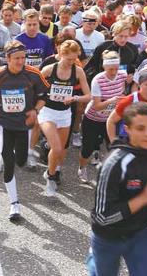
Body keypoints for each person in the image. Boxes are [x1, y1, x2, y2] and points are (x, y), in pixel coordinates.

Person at [87, 102, 147, 276]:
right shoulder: (113, 164)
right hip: (108, 236)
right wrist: (143, 198)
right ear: (127, 129)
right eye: (140, 128)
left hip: (139, 232)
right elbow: (102, 216)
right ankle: (93, 261)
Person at [0, 40, 49, 222]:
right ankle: (14, 203)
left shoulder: (34, 74)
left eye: (23, 58)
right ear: (8, 58)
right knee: (8, 161)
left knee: (20, 161)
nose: (21, 62)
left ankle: (23, 154)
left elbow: (43, 97)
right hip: (3, 123)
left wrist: (35, 110)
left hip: (24, 125)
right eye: (17, 58)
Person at [37, 41, 91, 196]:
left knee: (61, 152)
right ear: (61, 54)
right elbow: (34, 85)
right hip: (47, 112)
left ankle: (50, 173)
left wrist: (74, 98)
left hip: (65, 114)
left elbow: (88, 96)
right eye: (68, 59)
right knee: (57, 147)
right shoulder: (49, 69)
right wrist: (40, 99)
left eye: (74, 59)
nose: (71, 63)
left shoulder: (78, 71)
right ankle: (51, 179)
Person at [80, 50, 130, 182]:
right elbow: (97, 106)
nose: (114, 72)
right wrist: (112, 100)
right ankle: (82, 168)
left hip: (111, 119)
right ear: (104, 66)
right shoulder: (98, 79)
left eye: (116, 68)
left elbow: (130, 88)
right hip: (93, 118)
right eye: (110, 69)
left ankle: (110, 173)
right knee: (87, 148)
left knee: (113, 146)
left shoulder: (122, 75)